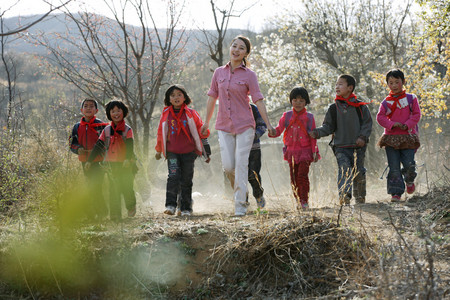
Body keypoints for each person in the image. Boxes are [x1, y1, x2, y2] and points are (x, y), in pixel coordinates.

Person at [201, 35, 276, 216]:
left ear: (246, 54)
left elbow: (258, 99)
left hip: (245, 126)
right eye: (234, 46)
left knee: (242, 165)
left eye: (241, 48)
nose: (236, 50)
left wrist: (268, 124)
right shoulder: (218, 72)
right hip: (224, 126)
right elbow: (212, 97)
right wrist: (206, 122)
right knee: (228, 167)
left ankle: (240, 206)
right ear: (230, 48)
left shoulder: (249, 75)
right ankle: (242, 191)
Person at [309, 75, 372, 205]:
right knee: (344, 170)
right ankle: (344, 197)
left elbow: (367, 124)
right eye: (336, 84)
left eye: (341, 84)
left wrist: (362, 137)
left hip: (358, 146)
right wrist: (317, 132)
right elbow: (328, 126)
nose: (337, 86)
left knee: (359, 172)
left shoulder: (360, 106)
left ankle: (360, 198)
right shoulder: (333, 108)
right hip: (340, 146)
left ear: (350, 88)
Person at [155, 84, 211, 217]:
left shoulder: (191, 113)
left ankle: (186, 208)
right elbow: (160, 133)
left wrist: (206, 151)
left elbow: (200, 131)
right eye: (173, 95)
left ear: (185, 97)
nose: (176, 98)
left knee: (186, 180)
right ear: (168, 99)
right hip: (172, 152)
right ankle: (170, 205)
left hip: (189, 153)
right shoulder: (165, 114)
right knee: (173, 177)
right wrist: (158, 150)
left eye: (179, 95)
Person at [86, 100, 137, 222]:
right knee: (114, 189)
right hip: (111, 164)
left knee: (127, 186)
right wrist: (89, 160)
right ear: (109, 114)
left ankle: (131, 206)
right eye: (113, 111)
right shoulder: (107, 130)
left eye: (118, 110)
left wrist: (126, 159)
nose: (116, 113)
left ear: (123, 112)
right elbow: (98, 146)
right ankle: (115, 215)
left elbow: (130, 146)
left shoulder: (127, 129)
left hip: (126, 164)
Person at [269, 87, 320, 210]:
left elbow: (313, 136)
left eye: (301, 101)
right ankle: (298, 201)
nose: (298, 103)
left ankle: (304, 201)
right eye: (295, 100)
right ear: (291, 101)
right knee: (293, 178)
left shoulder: (309, 117)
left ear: (306, 102)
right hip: (291, 151)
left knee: (302, 175)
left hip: (305, 151)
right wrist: (271, 131)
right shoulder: (286, 116)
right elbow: (279, 130)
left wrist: (315, 151)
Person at [376, 69, 421, 202]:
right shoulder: (386, 102)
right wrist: (392, 124)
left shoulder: (411, 98)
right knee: (394, 166)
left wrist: (407, 125)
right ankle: (396, 193)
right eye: (391, 83)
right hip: (391, 139)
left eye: (397, 82)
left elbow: (417, 115)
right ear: (387, 84)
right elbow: (380, 117)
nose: (394, 85)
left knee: (409, 164)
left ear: (403, 82)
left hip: (408, 137)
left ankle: (409, 181)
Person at [69, 98, 108, 220]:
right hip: (84, 161)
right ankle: (94, 214)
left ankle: (102, 212)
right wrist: (78, 149)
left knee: (96, 186)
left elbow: (107, 143)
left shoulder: (101, 125)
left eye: (91, 106)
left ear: (96, 110)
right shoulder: (77, 127)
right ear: (81, 110)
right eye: (86, 106)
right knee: (90, 186)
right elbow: (72, 143)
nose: (88, 108)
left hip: (99, 161)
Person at [247, 103, 267, 208]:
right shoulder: (229, 108)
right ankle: (243, 201)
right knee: (240, 175)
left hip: (254, 148)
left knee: (253, 174)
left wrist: (256, 134)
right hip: (236, 149)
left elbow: (262, 125)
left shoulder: (253, 108)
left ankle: (258, 196)